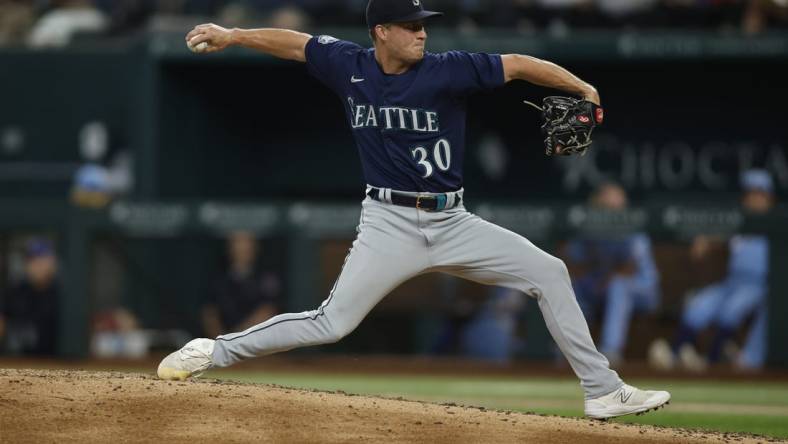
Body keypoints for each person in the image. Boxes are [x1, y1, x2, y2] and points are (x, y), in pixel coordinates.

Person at [158, 0, 670, 419]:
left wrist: (578, 86)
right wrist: (233, 34)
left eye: (423, 24)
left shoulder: (449, 70)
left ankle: (601, 390)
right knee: (332, 324)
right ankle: (212, 351)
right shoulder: (349, 65)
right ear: (381, 32)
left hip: (454, 220)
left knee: (550, 272)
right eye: (409, 26)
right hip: (389, 223)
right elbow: (295, 44)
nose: (421, 34)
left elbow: (516, 65)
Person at [649, 169, 774, 372]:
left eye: (758, 194)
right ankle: (674, 353)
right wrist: (706, 240)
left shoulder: (776, 222)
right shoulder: (740, 221)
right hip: (732, 282)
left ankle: (711, 363)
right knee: (698, 306)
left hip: (758, 285)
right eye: (750, 193)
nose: (753, 199)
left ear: (768, 197)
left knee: (731, 311)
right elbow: (722, 236)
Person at [567, 182, 659, 366]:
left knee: (618, 286)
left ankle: (610, 353)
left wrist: (605, 281)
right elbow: (574, 262)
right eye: (607, 208)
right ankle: (569, 351)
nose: (613, 213)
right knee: (572, 286)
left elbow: (629, 269)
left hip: (642, 290)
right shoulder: (589, 229)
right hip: (600, 288)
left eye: (617, 207)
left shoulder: (634, 231)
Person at [201, 231, 281, 338]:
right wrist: (223, 342)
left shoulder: (267, 279)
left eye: (247, 243)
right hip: (223, 344)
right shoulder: (217, 280)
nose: (243, 248)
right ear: (229, 247)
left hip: (257, 344)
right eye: (238, 243)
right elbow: (209, 315)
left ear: (255, 247)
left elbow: (268, 313)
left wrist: (236, 340)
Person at [0, 238, 60, 356]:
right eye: (33, 260)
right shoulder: (14, 292)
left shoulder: (63, 293)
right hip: (18, 360)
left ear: (52, 262)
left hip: (58, 362)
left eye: (42, 260)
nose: (38, 266)